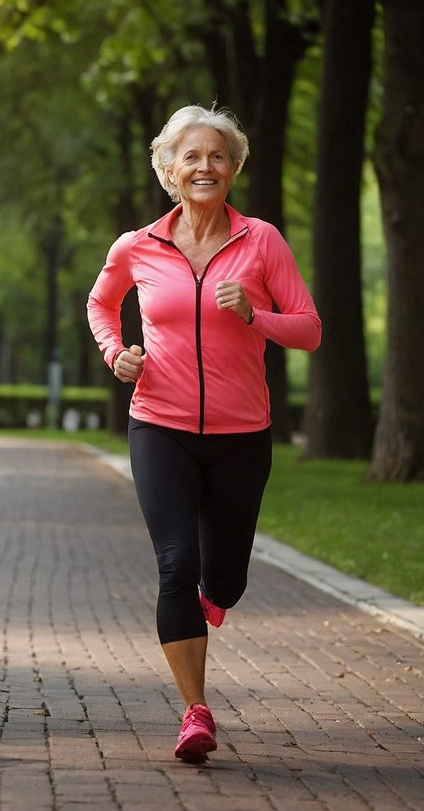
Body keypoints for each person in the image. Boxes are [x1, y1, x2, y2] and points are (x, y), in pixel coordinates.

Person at [85, 104, 321, 763]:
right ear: (169, 170)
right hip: (158, 424)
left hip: (242, 435)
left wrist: (255, 316)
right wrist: (116, 352)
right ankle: (195, 711)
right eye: (191, 156)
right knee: (175, 564)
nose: (204, 167)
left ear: (233, 168)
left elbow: (309, 328)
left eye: (217, 156)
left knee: (225, 578)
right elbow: (101, 303)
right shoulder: (136, 245)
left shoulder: (261, 241)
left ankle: (215, 598)